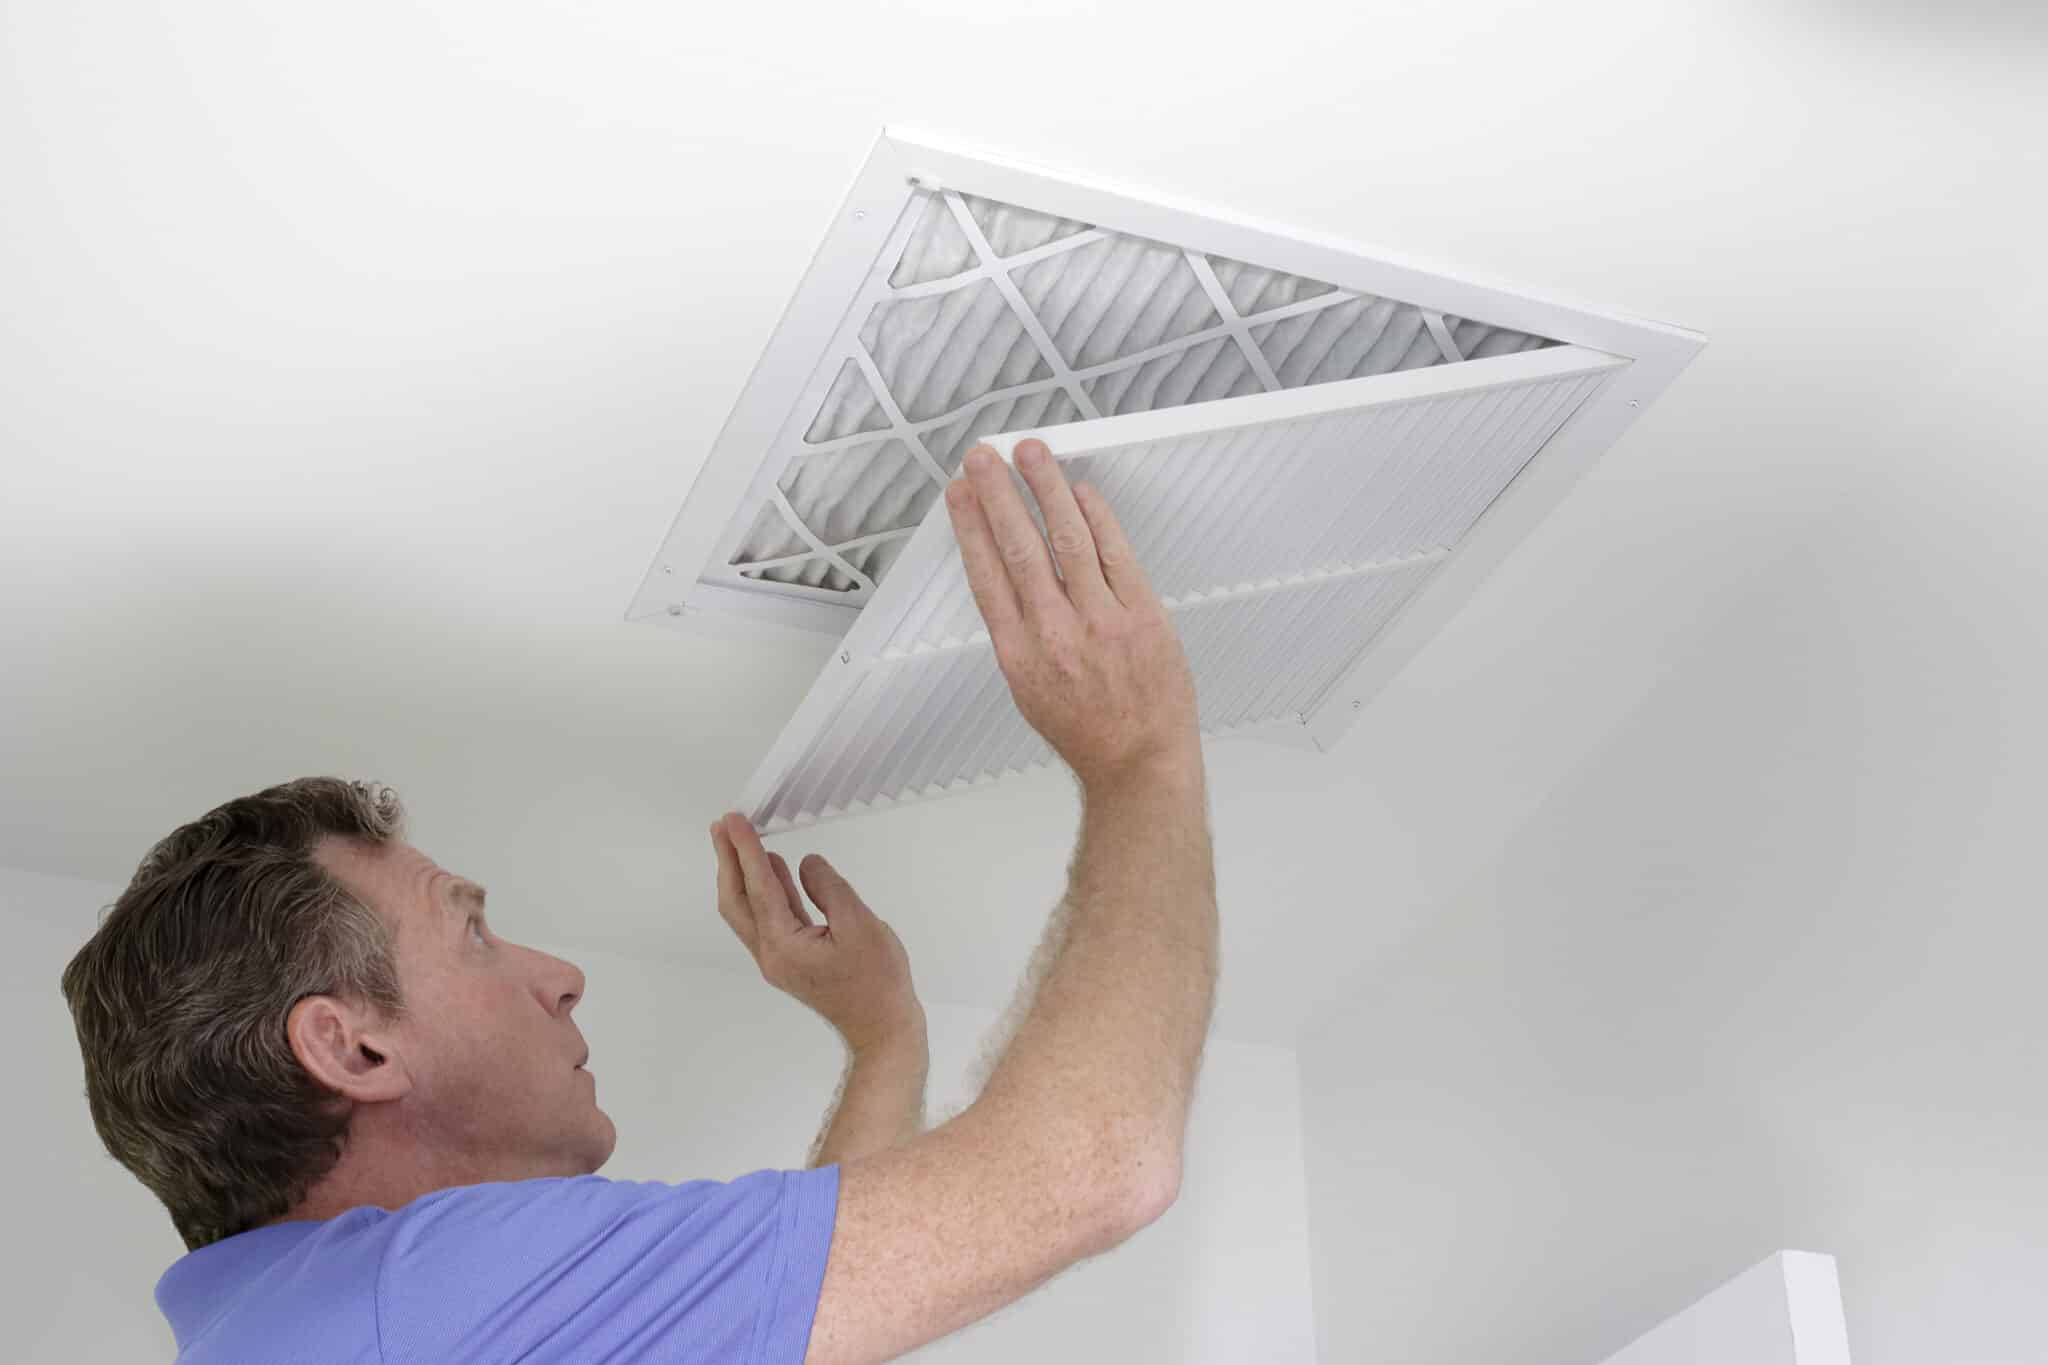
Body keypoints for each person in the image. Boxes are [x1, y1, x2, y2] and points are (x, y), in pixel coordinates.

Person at [61, 436, 1220, 1364]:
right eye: (471, 930)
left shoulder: (325, 1320)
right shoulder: (421, 1296)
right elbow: (1090, 1167)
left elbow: (802, 1320)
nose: (558, 974)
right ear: (353, 1047)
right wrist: (1141, 760)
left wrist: (882, 1040)